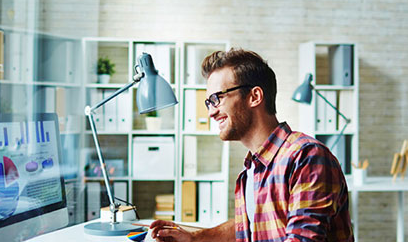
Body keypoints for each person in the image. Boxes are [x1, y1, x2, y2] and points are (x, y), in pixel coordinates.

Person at [150, 48, 353, 241]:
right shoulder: (252, 167)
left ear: (254, 96)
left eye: (217, 98)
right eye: (208, 103)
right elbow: (250, 226)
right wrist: (195, 238)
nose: (211, 112)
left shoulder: (307, 157)